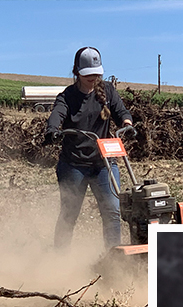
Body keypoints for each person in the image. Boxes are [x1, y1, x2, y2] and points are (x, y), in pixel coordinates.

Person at [44, 46, 134, 249]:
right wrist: (52, 129)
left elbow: (121, 111)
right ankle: (60, 258)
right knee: (70, 213)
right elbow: (57, 114)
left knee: (112, 210)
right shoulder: (67, 96)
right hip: (73, 164)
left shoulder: (108, 91)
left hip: (104, 163)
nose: (93, 77)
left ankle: (113, 260)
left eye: (96, 73)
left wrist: (127, 123)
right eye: (88, 74)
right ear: (77, 72)